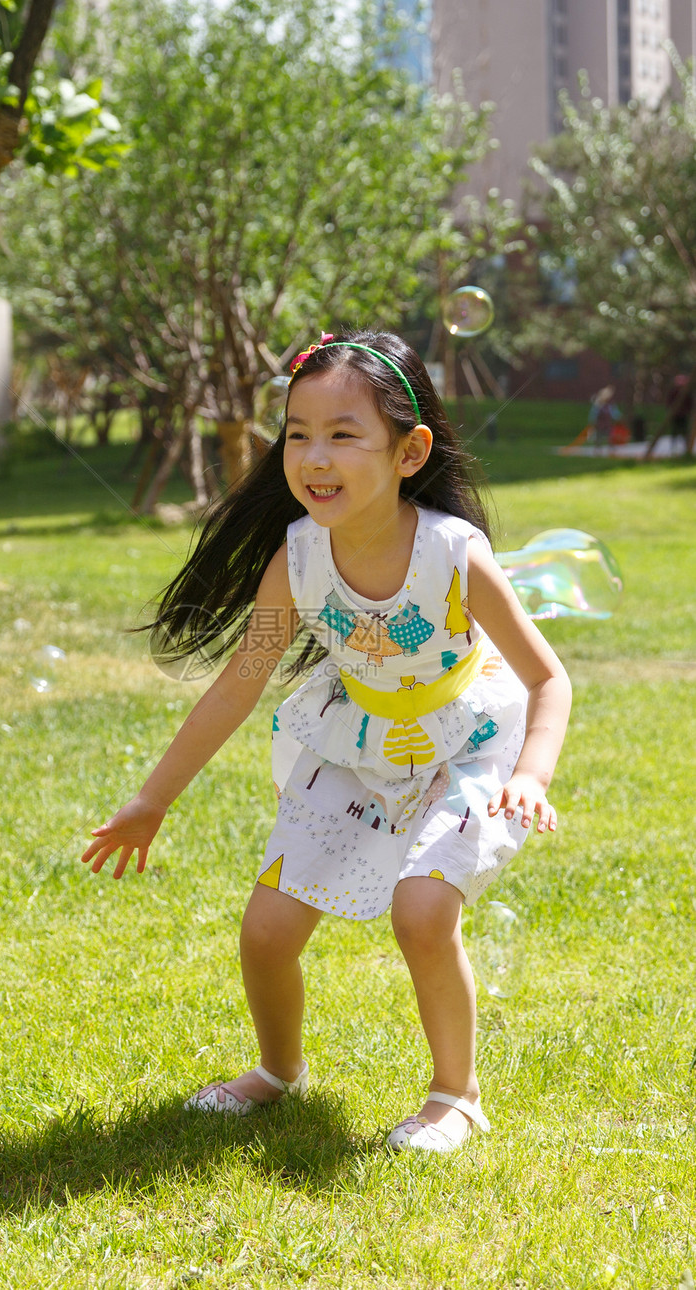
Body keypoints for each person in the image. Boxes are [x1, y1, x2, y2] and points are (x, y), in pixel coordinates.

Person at [80, 330, 571, 1153]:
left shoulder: (455, 554)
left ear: (410, 451)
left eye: (344, 434)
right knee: (266, 931)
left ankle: (457, 1095)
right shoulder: (300, 559)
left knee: (422, 910)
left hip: (469, 741)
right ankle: (278, 1073)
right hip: (361, 738)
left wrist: (532, 774)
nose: (315, 455)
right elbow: (241, 681)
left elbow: (548, 679)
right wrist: (148, 800)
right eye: (298, 433)